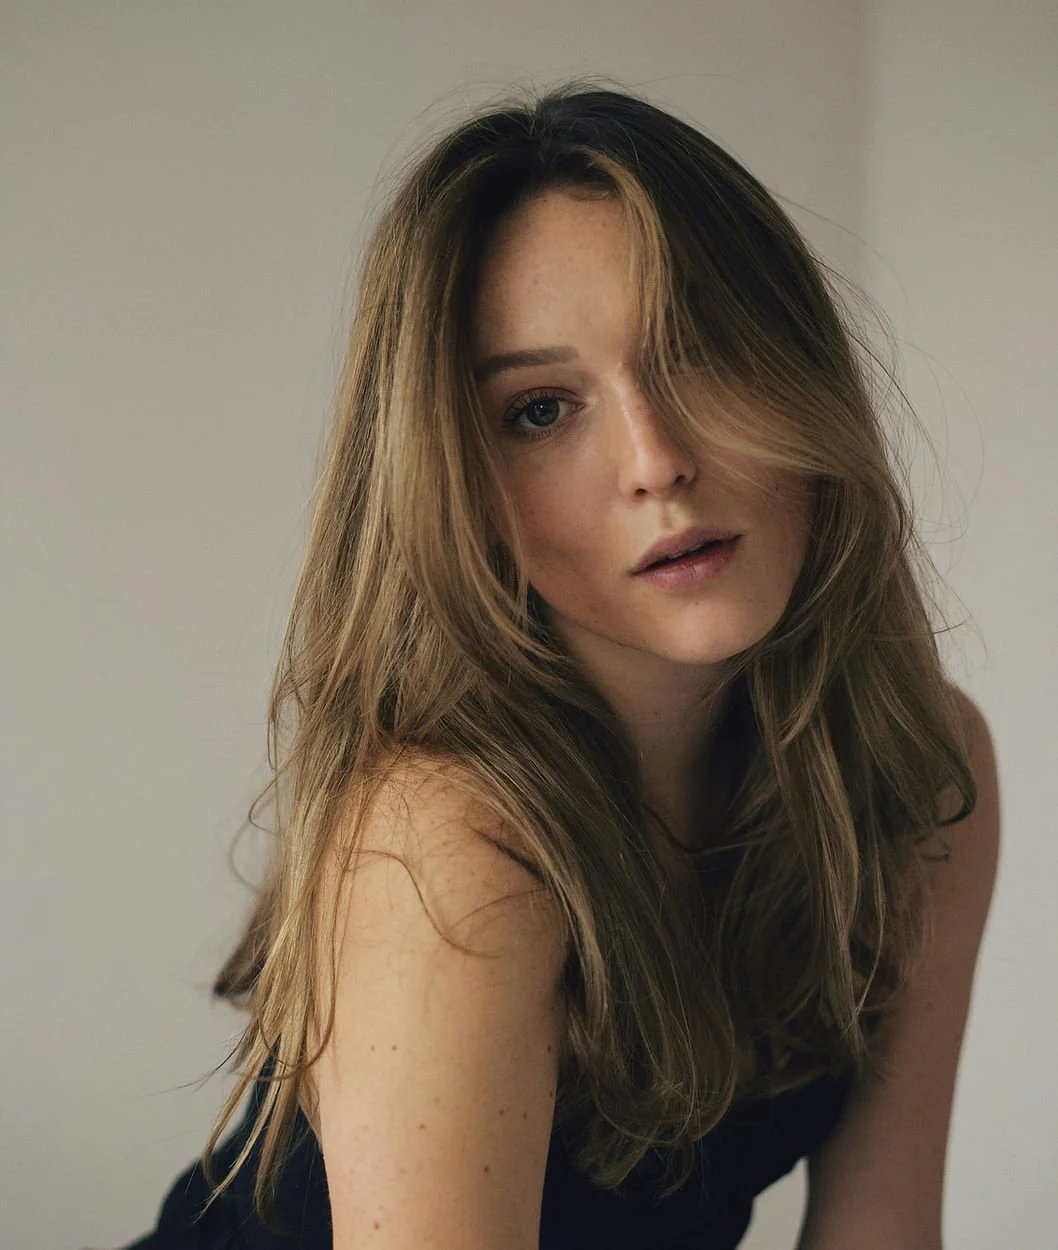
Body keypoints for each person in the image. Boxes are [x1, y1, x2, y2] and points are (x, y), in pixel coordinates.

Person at [121, 78, 1000, 1250]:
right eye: (540, 410)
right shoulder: (450, 843)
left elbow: (881, 1230)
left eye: (694, 352)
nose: (655, 460)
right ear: (456, 485)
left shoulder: (917, 768)